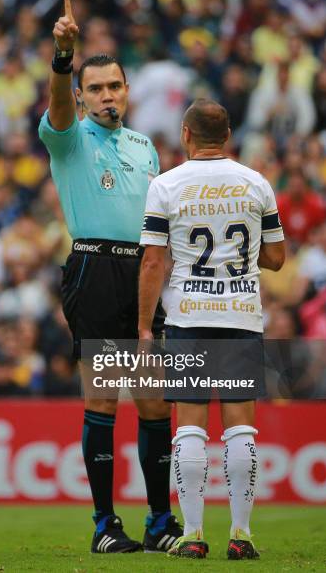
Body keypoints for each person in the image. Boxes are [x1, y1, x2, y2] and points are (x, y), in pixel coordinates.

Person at [38, 0, 181, 554]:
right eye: (95, 88)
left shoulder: (146, 147)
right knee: (102, 399)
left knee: (153, 401)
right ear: (81, 95)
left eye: (114, 86)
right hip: (95, 268)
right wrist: (62, 55)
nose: (106, 96)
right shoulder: (68, 135)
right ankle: (103, 524)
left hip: (144, 274)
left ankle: (159, 522)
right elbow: (57, 102)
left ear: (127, 90)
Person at [139, 98, 285, 559]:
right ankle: (241, 536)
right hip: (241, 315)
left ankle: (194, 534)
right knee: (241, 429)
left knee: (190, 430)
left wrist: (144, 327)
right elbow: (277, 258)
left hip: (188, 319)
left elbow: (153, 262)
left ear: (185, 135)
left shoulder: (166, 185)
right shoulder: (256, 183)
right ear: (227, 136)